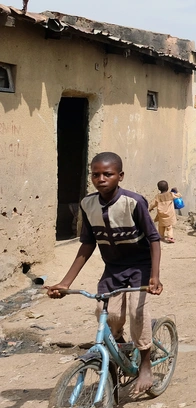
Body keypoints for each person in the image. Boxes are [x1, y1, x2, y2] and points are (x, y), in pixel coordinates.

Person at [45, 152, 162, 395]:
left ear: (120, 176)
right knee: (104, 312)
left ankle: (146, 364)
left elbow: (153, 238)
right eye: (95, 174)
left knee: (136, 312)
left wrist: (155, 276)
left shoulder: (134, 202)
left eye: (107, 174)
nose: (101, 179)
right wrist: (66, 283)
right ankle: (118, 351)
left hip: (140, 266)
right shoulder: (88, 204)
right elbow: (87, 244)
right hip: (114, 268)